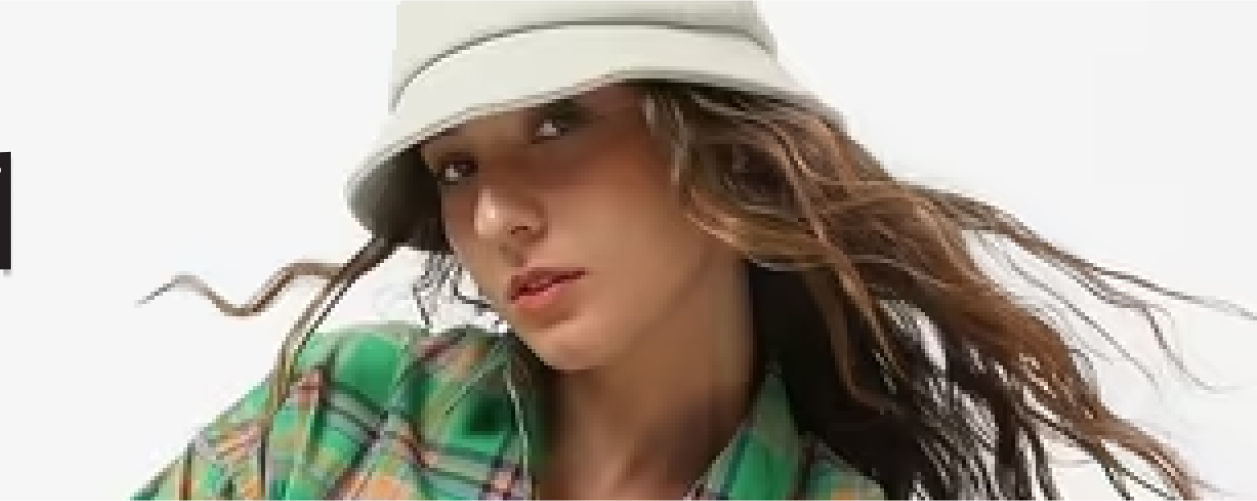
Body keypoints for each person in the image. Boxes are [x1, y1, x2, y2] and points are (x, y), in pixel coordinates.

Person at [131, 0, 1249, 499]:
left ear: (717, 142)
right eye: (455, 166)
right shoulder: (338, 415)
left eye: (558, 122)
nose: (496, 215)